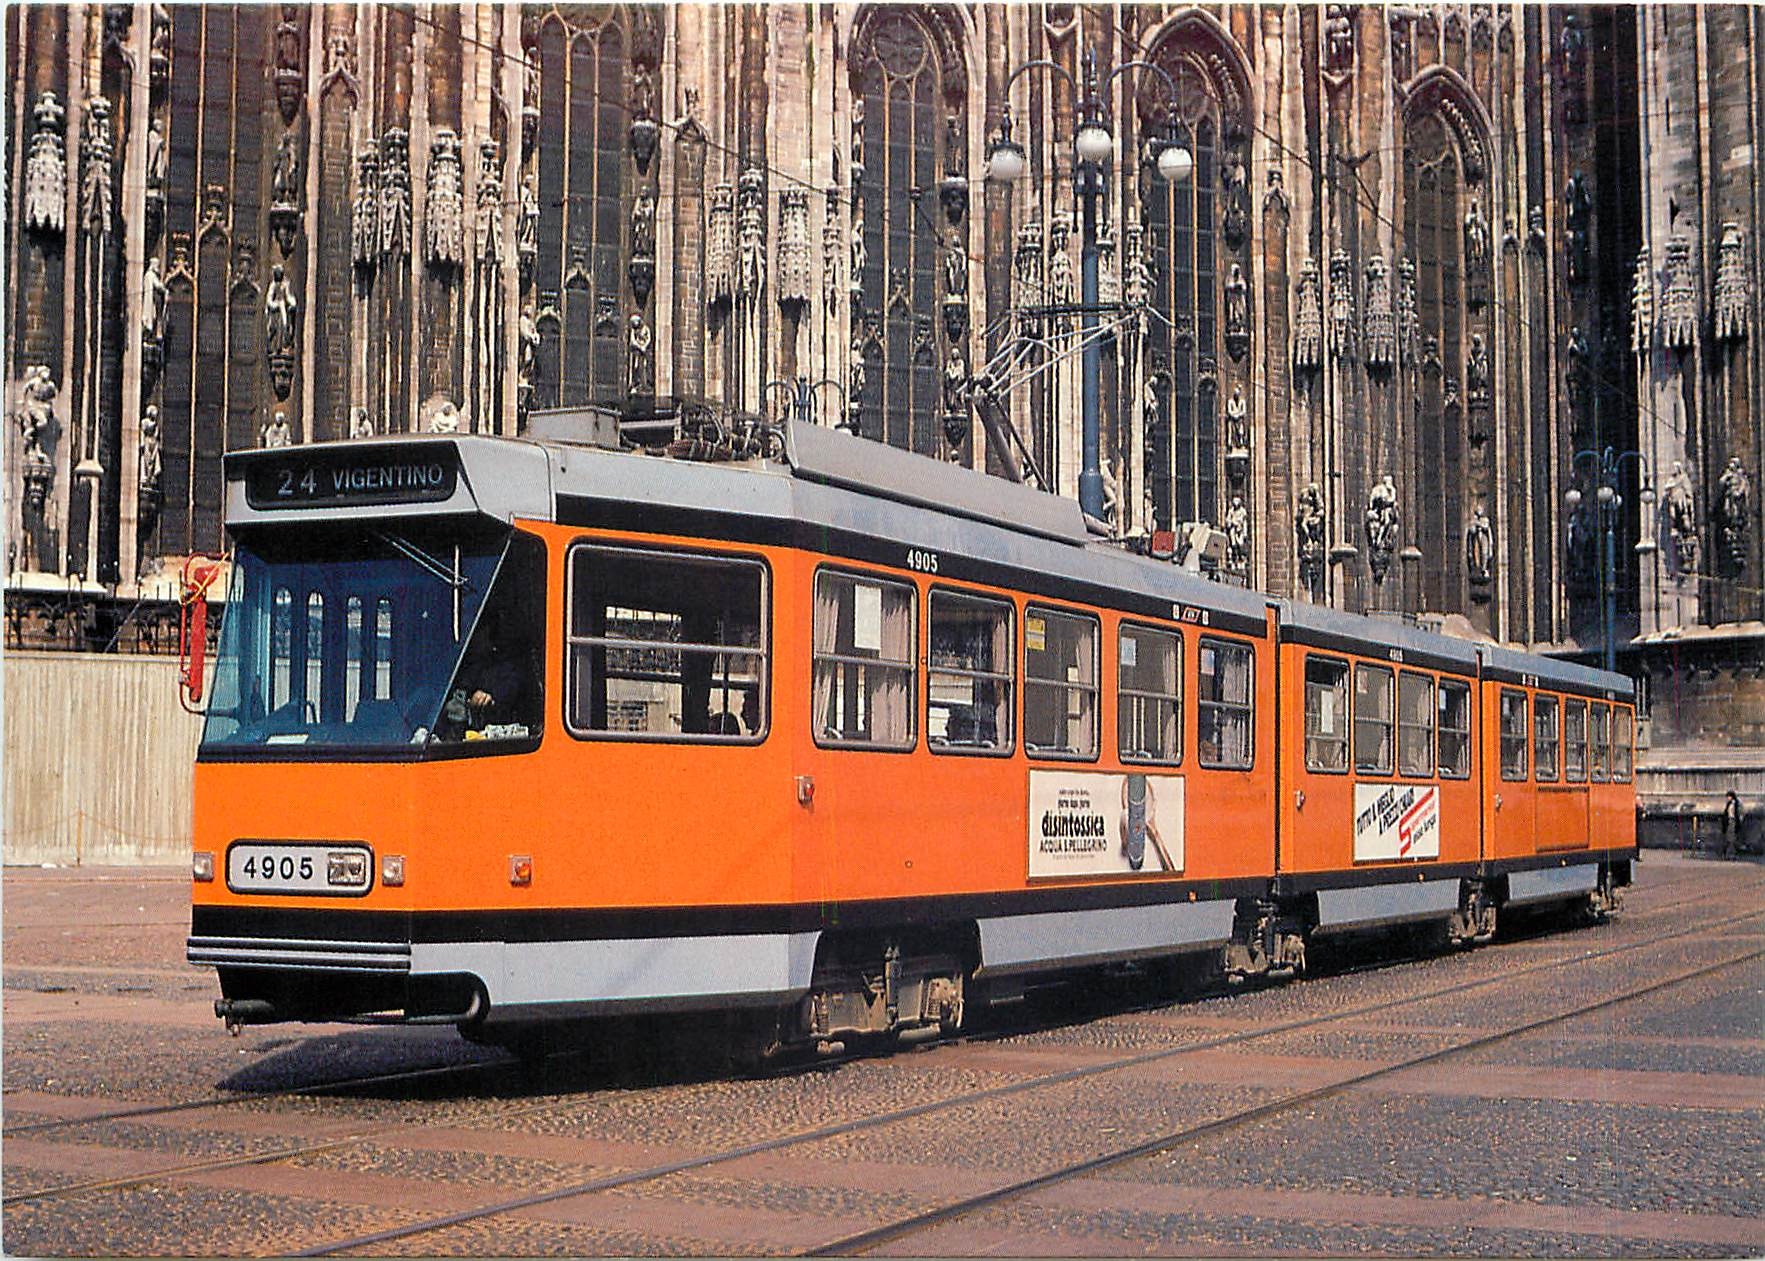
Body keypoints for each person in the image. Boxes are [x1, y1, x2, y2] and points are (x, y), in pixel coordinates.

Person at [1722, 790, 1743, 860]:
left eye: (1729, 796)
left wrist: (1739, 820)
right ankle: (1729, 854)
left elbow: (1739, 813)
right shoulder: (1729, 804)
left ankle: (1731, 854)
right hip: (1729, 821)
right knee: (1729, 839)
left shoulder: (1736, 803)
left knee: (1732, 839)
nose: (1728, 798)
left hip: (1734, 821)